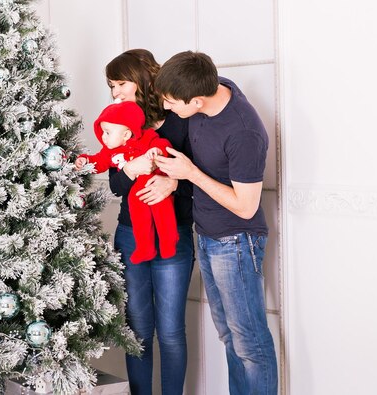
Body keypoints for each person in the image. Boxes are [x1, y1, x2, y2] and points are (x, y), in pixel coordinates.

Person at [154, 50, 277, 395]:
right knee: (230, 337)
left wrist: (190, 174)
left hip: (236, 242)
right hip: (207, 234)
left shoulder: (243, 132)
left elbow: (246, 206)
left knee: (250, 344)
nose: (167, 108)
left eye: (171, 102)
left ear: (195, 100)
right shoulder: (216, 88)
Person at [104, 49, 194, 395]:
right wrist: (130, 169)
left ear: (143, 80)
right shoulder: (120, 123)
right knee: (138, 329)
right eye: (112, 86)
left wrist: (174, 183)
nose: (115, 93)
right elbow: (115, 184)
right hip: (130, 235)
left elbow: (201, 175)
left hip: (175, 235)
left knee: (171, 332)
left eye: (121, 83)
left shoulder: (180, 118)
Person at [75, 101, 179, 263]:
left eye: (108, 132)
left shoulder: (146, 137)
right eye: (103, 132)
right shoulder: (109, 151)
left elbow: (163, 144)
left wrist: (157, 151)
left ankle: (169, 240)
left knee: (161, 206)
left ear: (126, 134)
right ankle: (145, 247)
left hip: (155, 181)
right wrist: (84, 161)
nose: (103, 137)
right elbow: (99, 161)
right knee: (136, 204)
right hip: (137, 188)